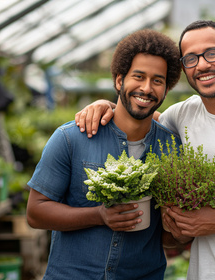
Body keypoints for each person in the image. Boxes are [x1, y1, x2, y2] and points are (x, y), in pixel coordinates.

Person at [75, 20, 215, 279]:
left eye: (211, 53)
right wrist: (104, 104)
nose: (202, 65)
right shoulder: (183, 115)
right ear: (184, 69)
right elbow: (137, 116)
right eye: (191, 59)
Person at [26, 29, 185, 279]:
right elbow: (36, 212)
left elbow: (166, 238)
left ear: (166, 89)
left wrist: (181, 232)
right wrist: (99, 215)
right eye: (139, 76)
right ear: (119, 80)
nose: (146, 88)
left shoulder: (172, 149)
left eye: (157, 80)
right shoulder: (71, 138)